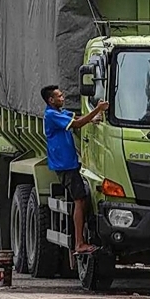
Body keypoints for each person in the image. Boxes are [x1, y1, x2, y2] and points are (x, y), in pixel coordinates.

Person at [41, 85, 109, 254]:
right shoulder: (51, 115)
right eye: (59, 96)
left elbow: (75, 117)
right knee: (79, 200)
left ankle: (81, 240)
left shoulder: (58, 113)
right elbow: (77, 123)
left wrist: (93, 118)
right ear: (51, 100)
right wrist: (98, 109)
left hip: (70, 163)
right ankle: (79, 243)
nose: (63, 98)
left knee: (82, 199)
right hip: (65, 166)